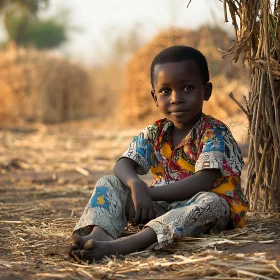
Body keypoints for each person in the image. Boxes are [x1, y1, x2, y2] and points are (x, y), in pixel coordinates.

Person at [69, 46, 249, 262]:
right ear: (154, 97)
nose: (176, 98)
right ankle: (100, 233)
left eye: (188, 88)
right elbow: (123, 165)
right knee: (110, 182)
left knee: (210, 202)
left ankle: (128, 244)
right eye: (166, 91)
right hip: (164, 204)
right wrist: (136, 186)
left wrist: (149, 194)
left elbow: (203, 181)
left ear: (207, 91)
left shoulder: (213, 132)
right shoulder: (156, 131)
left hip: (210, 207)